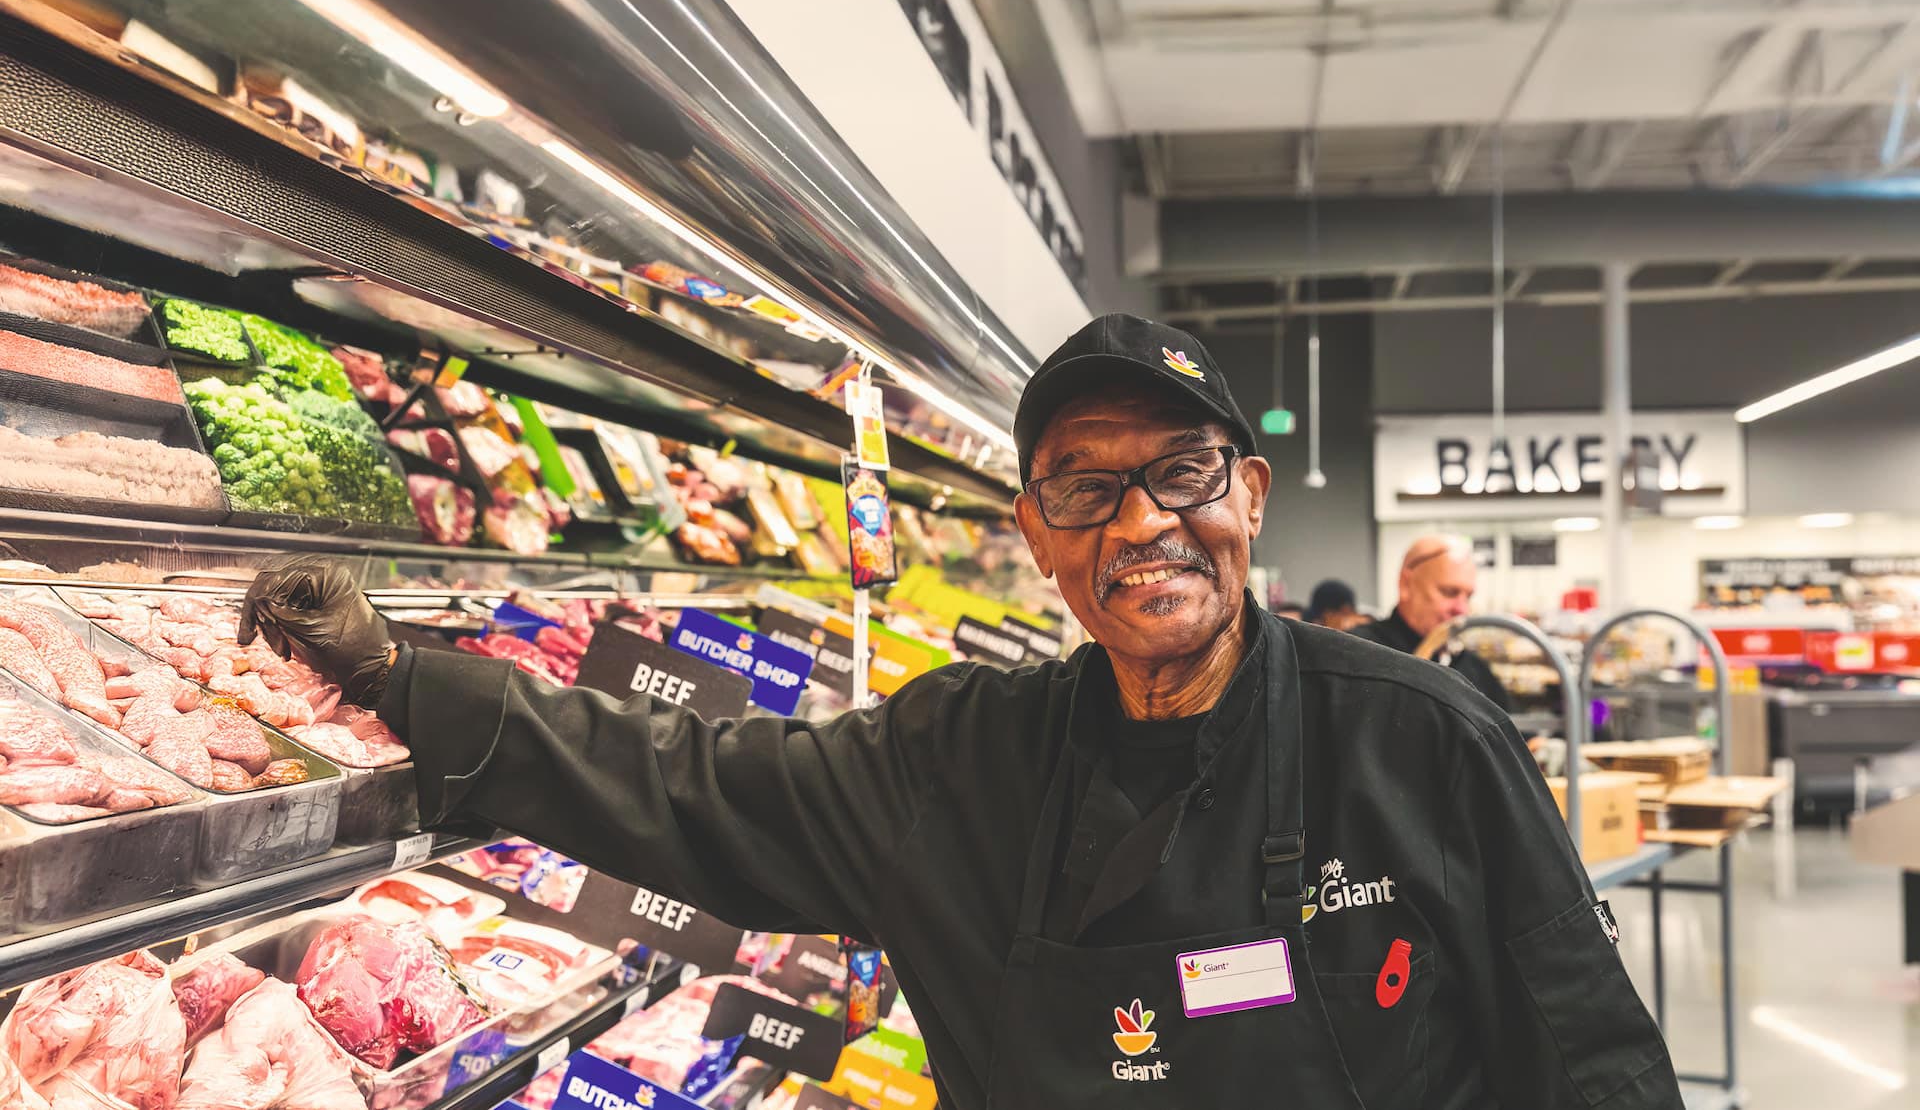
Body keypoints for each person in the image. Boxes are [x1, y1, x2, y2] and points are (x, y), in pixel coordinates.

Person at [243, 314, 1678, 1109]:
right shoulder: (961, 758)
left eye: (1179, 472)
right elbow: (690, 782)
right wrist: (402, 675)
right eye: (1084, 488)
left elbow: (1596, 1061)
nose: (1141, 526)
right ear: (1039, 535)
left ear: (1248, 489)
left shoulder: (1423, 740)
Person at [1353, 535, 1513, 712]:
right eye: (1449, 592)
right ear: (1406, 584)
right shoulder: (1360, 651)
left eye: (1468, 597)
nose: (1462, 610)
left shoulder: (1472, 667)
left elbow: (1515, 730)